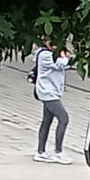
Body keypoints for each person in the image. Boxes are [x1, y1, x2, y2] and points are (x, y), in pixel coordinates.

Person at [33, 36, 73, 164]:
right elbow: (61, 64)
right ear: (45, 42)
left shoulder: (49, 54)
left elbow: (66, 66)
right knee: (64, 118)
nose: (55, 46)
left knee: (47, 121)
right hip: (48, 93)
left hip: (51, 92)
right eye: (52, 43)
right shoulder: (45, 55)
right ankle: (58, 152)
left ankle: (41, 152)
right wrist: (63, 55)